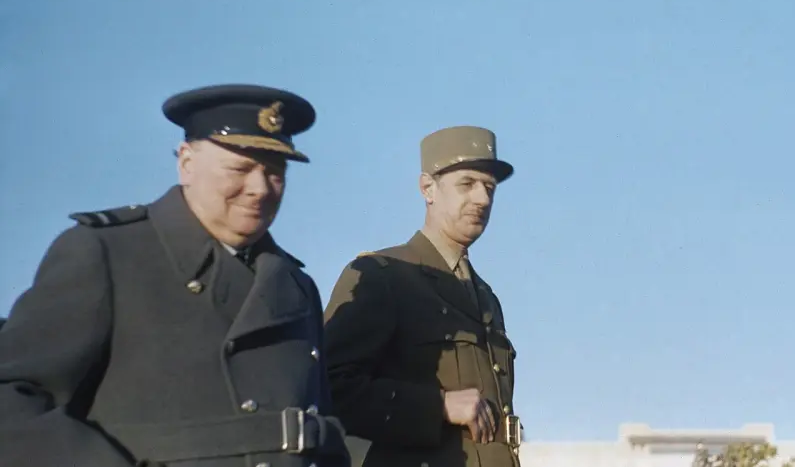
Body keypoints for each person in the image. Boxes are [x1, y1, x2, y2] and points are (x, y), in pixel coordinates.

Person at [0, 84, 350, 467]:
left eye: (276, 173)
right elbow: (12, 400)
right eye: (240, 168)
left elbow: (321, 434)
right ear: (186, 163)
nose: (260, 189)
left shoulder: (297, 287)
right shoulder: (106, 252)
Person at [323, 126, 521, 467]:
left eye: (489, 188)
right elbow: (329, 389)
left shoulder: (485, 297)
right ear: (427, 188)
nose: (482, 199)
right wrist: (438, 406)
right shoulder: (382, 275)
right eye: (467, 184)